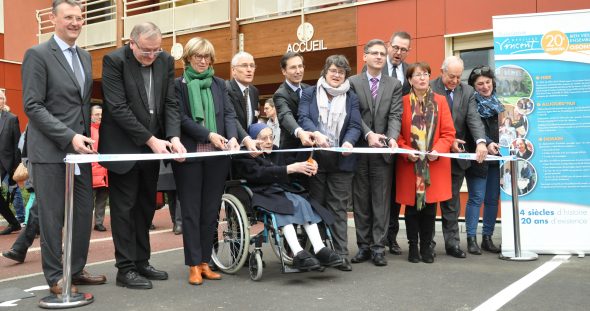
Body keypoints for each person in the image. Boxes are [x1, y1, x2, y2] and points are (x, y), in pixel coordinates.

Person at [22, 0, 106, 296]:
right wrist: (69, 136)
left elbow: (82, 106)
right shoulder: (37, 55)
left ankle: (76, 269)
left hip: (79, 153)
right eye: (69, 17)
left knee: (83, 213)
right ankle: (55, 276)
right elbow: (32, 105)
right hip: (50, 151)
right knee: (52, 216)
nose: (75, 22)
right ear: (53, 19)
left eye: (79, 17)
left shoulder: (85, 57)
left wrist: (84, 139)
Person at [100, 22, 186, 290]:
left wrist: (173, 137)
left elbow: (170, 102)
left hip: (154, 146)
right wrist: (151, 140)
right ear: (131, 43)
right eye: (146, 51)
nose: (151, 56)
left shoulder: (165, 60)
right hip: (124, 146)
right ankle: (125, 269)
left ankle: (141, 261)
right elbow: (117, 107)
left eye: (156, 50)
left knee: (146, 206)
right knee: (124, 209)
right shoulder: (114, 61)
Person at [172, 37, 239, 286]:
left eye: (206, 57)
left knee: (210, 212)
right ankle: (192, 265)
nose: (202, 61)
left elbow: (229, 114)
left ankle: (204, 262)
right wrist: (208, 134)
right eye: (197, 56)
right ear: (187, 58)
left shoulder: (220, 84)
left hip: (216, 157)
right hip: (190, 156)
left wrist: (231, 137)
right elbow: (179, 119)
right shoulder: (178, 85)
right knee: (190, 212)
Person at [233, 123, 343, 270]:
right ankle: (298, 253)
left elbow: (293, 163)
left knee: (303, 203)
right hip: (261, 191)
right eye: (263, 138)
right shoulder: (244, 155)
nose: (269, 141)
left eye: (271, 137)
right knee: (283, 206)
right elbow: (259, 174)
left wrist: (308, 163)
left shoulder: (277, 151)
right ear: (253, 140)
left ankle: (319, 248)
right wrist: (289, 169)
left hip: (281, 190)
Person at [298, 55, 362, 271]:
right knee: (317, 207)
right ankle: (321, 252)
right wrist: (315, 133)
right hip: (315, 161)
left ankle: (342, 254)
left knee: (338, 208)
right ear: (325, 71)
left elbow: (355, 125)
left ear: (346, 75)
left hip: (342, 162)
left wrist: (348, 142)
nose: (337, 75)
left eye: (341, 72)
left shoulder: (352, 97)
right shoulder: (308, 93)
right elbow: (303, 118)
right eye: (333, 70)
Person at [348, 39, 402, 267]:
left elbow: (395, 115)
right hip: (360, 149)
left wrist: (391, 138)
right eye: (374, 53)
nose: (379, 57)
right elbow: (352, 114)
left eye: (382, 53)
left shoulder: (394, 84)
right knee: (361, 201)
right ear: (365, 56)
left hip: (383, 154)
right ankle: (364, 247)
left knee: (381, 201)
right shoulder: (352, 82)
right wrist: (369, 134)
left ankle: (379, 248)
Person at [396, 62, 455, 263]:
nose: (422, 78)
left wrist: (437, 150)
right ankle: (413, 246)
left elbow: (448, 133)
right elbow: (396, 136)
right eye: (417, 75)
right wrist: (406, 152)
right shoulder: (402, 102)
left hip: (433, 164)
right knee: (412, 209)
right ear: (410, 80)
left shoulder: (440, 101)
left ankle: (427, 246)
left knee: (430, 208)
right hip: (409, 165)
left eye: (426, 74)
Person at [430, 56, 487, 259]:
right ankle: (427, 243)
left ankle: (452, 244)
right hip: (434, 154)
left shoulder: (468, 92)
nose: (455, 80)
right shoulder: (429, 87)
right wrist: (448, 140)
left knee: (452, 203)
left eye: (458, 76)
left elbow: (473, 119)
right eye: (451, 76)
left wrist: (481, 141)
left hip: (456, 157)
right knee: (429, 202)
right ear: (441, 71)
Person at [463, 66, 503, 255]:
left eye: (488, 82)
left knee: (492, 199)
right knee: (476, 198)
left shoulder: (501, 103)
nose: (485, 86)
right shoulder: (470, 103)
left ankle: (488, 237)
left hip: (497, 158)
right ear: (473, 86)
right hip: (478, 157)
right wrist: (486, 142)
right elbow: (473, 127)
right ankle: (472, 239)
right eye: (480, 84)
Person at [273, 52, 315, 164]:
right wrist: (300, 133)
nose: (298, 71)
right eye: (293, 67)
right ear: (284, 71)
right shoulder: (280, 94)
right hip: (291, 155)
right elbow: (285, 115)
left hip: (312, 151)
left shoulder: (310, 90)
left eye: (300, 66)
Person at [226, 51, 260, 153]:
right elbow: (232, 118)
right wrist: (246, 139)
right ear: (233, 70)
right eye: (244, 65)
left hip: (249, 149)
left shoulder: (254, 91)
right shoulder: (226, 89)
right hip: (231, 147)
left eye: (252, 66)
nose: (249, 70)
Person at [0, 90, 22, 235]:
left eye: (1, 98)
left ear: (4, 101)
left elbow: (17, 144)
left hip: (7, 162)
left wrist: (16, 165)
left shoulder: (11, 118)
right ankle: (13, 222)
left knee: (14, 190)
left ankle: (21, 219)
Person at [90, 104, 108, 232]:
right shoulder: (88, 130)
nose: (99, 117)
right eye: (97, 114)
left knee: (102, 199)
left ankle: (99, 222)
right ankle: (84, 222)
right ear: (91, 115)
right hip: (92, 171)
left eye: (101, 114)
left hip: (106, 171)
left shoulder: (106, 129)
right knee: (88, 201)